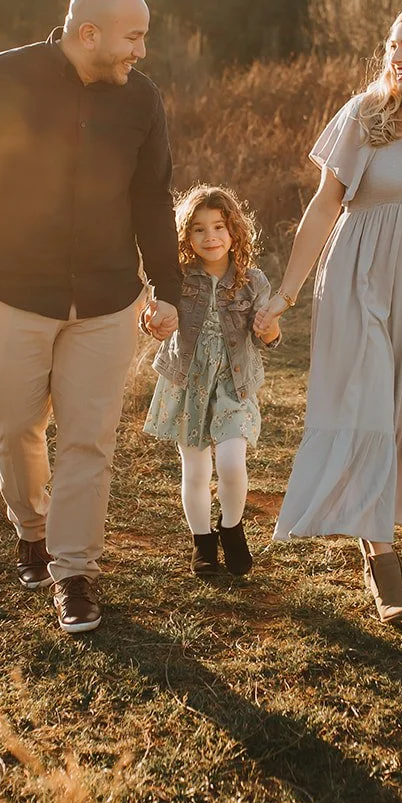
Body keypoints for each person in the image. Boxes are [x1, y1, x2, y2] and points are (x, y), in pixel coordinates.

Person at [0, 0, 182, 634]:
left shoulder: (142, 100)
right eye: (133, 37)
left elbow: (153, 197)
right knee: (14, 427)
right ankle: (31, 530)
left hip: (106, 299)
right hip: (11, 292)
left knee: (88, 440)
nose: (140, 53)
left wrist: (168, 286)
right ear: (87, 33)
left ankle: (73, 571)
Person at [255, 0, 402, 624]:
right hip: (356, 274)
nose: (395, 55)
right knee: (365, 403)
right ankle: (382, 560)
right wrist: (285, 293)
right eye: (391, 44)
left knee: (400, 408)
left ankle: (379, 523)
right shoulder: (367, 115)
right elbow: (324, 206)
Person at [143, 185, 281, 576]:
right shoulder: (177, 278)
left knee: (233, 463)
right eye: (199, 229)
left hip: (234, 384)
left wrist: (269, 328)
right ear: (186, 237)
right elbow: (152, 312)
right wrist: (151, 321)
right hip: (188, 383)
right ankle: (202, 541)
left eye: (219, 226)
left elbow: (268, 338)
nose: (211, 237)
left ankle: (232, 528)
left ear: (235, 231)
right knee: (197, 469)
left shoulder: (253, 281)